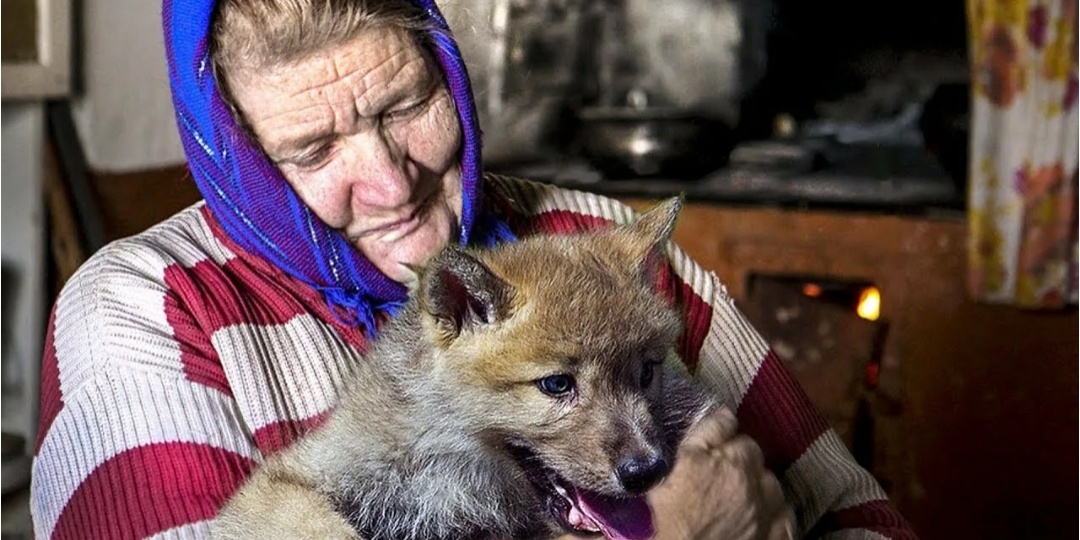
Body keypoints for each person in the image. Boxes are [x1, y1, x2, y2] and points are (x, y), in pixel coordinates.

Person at [29, 0, 917, 539]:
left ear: (449, 74)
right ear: (240, 162)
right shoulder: (144, 310)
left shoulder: (603, 247)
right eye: (313, 150)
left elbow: (860, 516)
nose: (391, 184)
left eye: (407, 103)